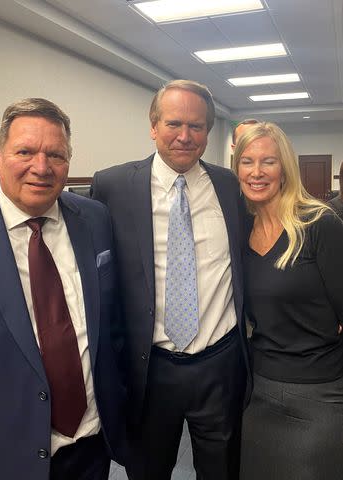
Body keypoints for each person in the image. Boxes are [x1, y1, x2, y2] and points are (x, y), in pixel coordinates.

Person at [92, 79, 251, 480]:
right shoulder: (111, 186)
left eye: (196, 126)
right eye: (173, 123)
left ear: (209, 132)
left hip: (220, 364)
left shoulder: (231, 187)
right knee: (148, 471)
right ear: (153, 126)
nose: (184, 135)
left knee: (222, 470)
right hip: (149, 369)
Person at [0, 98, 126, 480]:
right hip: (1, 458)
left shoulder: (94, 218)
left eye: (55, 154)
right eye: (26, 151)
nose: (41, 167)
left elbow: (112, 324)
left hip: (91, 447)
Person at [232, 122, 343, 480]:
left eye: (269, 161)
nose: (257, 172)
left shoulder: (318, 224)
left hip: (319, 393)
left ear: (286, 168)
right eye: (247, 161)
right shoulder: (240, 230)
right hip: (260, 390)